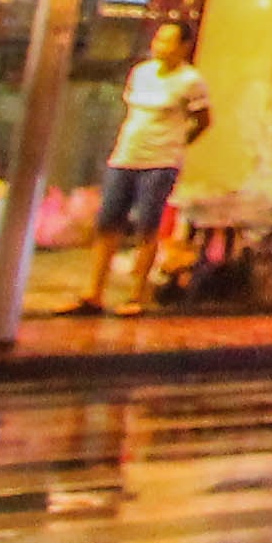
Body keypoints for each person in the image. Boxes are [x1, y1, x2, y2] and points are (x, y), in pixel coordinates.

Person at [83, 16, 212, 318]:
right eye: (158, 40)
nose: (160, 46)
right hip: (125, 155)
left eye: (168, 41)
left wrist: (178, 143)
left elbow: (204, 121)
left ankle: (136, 294)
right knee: (107, 223)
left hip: (160, 161)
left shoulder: (190, 81)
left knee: (147, 227)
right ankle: (94, 291)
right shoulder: (141, 73)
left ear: (184, 47)